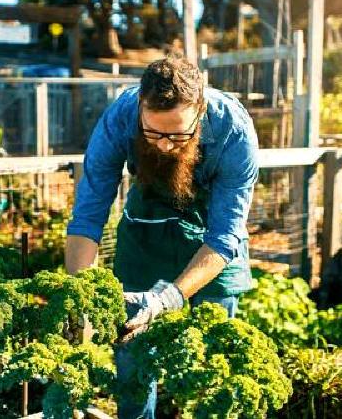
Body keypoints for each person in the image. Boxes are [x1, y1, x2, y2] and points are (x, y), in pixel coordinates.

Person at [65, 55, 259, 418]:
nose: (165, 145)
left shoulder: (234, 131)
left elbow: (224, 235)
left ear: (199, 110)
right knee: (134, 359)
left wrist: (167, 298)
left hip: (210, 245)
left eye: (177, 134)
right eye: (153, 132)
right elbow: (88, 214)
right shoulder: (120, 118)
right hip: (147, 231)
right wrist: (79, 294)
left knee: (213, 370)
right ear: (140, 106)